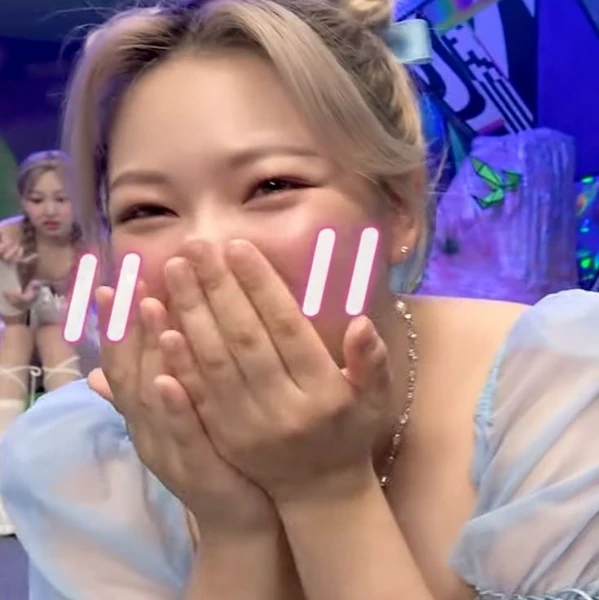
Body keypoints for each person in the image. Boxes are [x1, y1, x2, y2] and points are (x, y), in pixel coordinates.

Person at [0, 0, 598, 597]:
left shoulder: (561, 387)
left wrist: (327, 490)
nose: (205, 249)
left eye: (272, 185)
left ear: (399, 207)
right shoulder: (84, 460)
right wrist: (234, 528)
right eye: (147, 210)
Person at [0, 150, 88, 536]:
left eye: (62, 199)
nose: (49, 210)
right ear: (23, 201)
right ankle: (5, 471)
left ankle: (72, 467)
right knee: (17, 334)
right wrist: (11, 279)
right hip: (16, 334)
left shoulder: (92, 241)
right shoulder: (8, 236)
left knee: (52, 335)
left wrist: (42, 305)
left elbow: (80, 318)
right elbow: (10, 317)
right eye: (37, 200)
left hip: (74, 338)